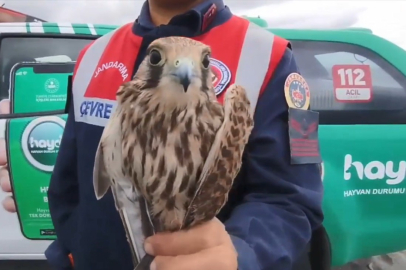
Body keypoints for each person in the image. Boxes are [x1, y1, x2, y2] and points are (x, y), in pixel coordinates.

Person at [0, 0, 323, 269]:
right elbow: (71, 184)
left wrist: (243, 253)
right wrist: (67, 251)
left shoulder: (273, 56)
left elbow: (293, 200)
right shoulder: (92, 56)